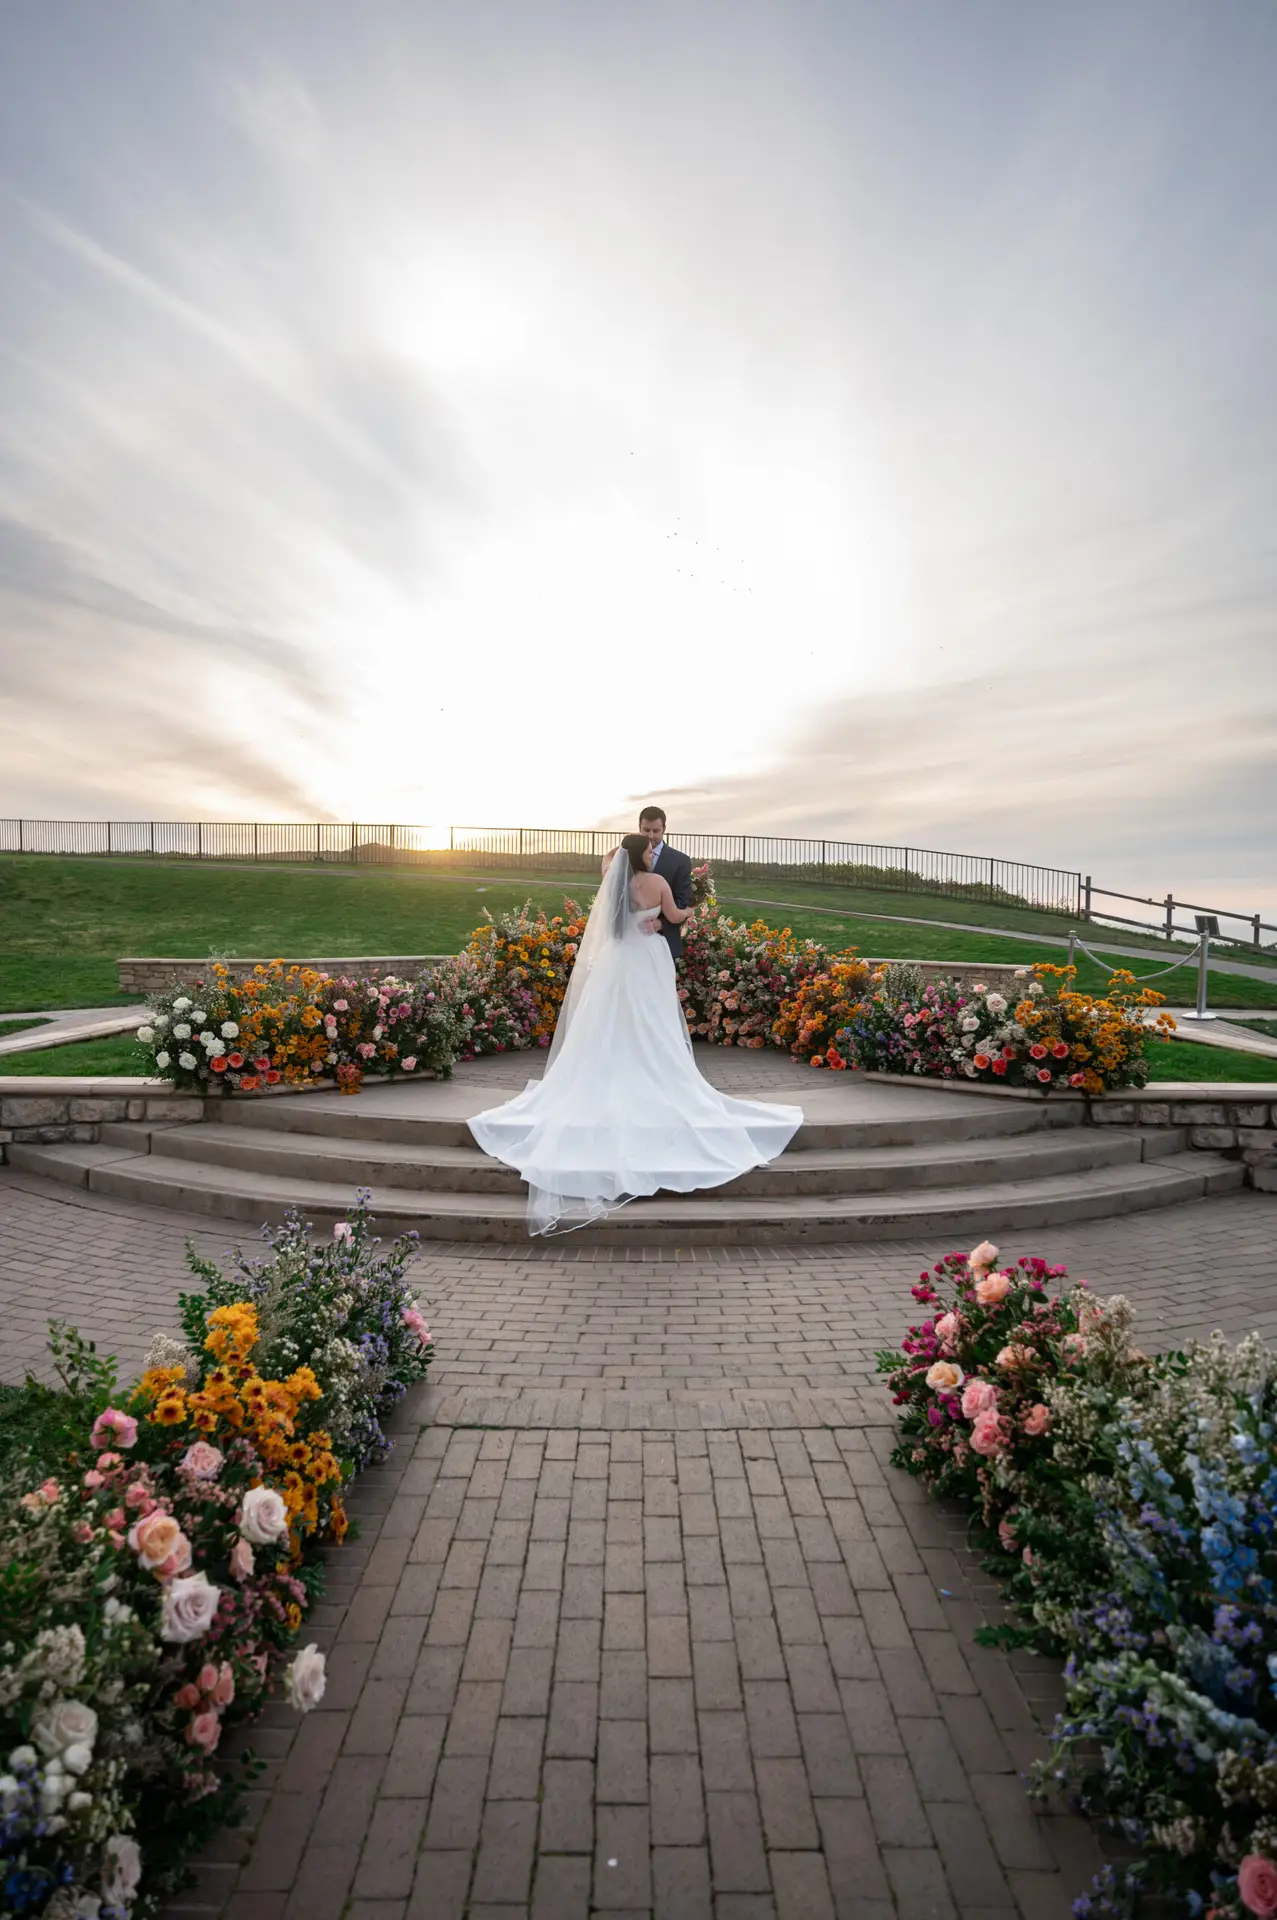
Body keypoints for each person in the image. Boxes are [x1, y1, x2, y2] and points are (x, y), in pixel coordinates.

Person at [468, 832, 802, 1234]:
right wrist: (691, 910)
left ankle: (609, 1072)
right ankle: (652, 1072)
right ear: (641, 855)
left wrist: (620, 856)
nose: (651, 851)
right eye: (646, 848)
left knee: (611, 1019)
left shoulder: (615, 878)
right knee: (652, 1021)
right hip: (649, 958)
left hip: (617, 961)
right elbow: (675, 918)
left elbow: (608, 865)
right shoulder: (658, 883)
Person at [638, 805, 693, 959]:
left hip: (664, 940)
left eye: (655, 831)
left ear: (664, 829)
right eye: (646, 830)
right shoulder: (625, 858)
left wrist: (661, 924)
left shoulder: (680, 861)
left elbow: (682, 900)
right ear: (639, 828)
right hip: (630, 942)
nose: (650, 835)